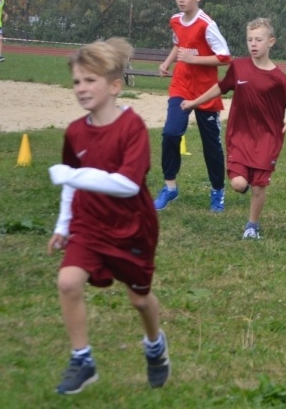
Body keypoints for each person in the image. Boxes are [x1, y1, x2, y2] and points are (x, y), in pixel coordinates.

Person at [47, 38, 169, 395]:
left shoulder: (133, 128)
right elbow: (72, 181)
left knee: (139, 299)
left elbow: (127, 185)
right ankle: (82, 359)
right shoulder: (74, 131)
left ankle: (154, 346)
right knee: (68, 282)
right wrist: (62, 225)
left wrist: (72, 175)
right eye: (76, 82)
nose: (81, 88)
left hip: (131, 228)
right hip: (88, 224)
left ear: (115, 86)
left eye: (90, 81)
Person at [182, 18, 286, 238]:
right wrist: (194, 102)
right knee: (239, 184)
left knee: (259, 187)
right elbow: (221, 87)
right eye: (249, 39)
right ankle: (247, 184)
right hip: (239, 135)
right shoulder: (238, 66)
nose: (253, 44)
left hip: (268, 139)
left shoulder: (279, 78)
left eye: (259, 39)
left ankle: (252, 226)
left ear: (271, 42)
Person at [154, 0, 231, 212]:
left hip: (206, 92)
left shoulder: (207, 25)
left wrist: (193, 59)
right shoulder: (175, 20)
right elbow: (179, 44)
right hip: (181, 86)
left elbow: (225, 57)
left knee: (211, 146)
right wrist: (168, 63)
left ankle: (218, 190)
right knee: (170, 134)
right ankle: (170, 187)